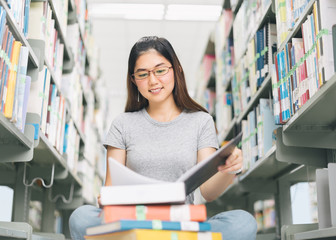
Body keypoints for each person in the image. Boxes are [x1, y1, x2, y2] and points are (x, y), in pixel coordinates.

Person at [69, 36, 257, 240]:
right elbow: (111, 189)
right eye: (142, 74)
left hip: (182, 223)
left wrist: (229, 168)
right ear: (133, 80)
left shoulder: (201, 122)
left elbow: (209, 192)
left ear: (176, 69)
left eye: (160, 70)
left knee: (243, 222)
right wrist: (107, 199)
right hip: (135, 222)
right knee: (81, 217)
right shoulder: (122, 124)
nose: (153, 80)